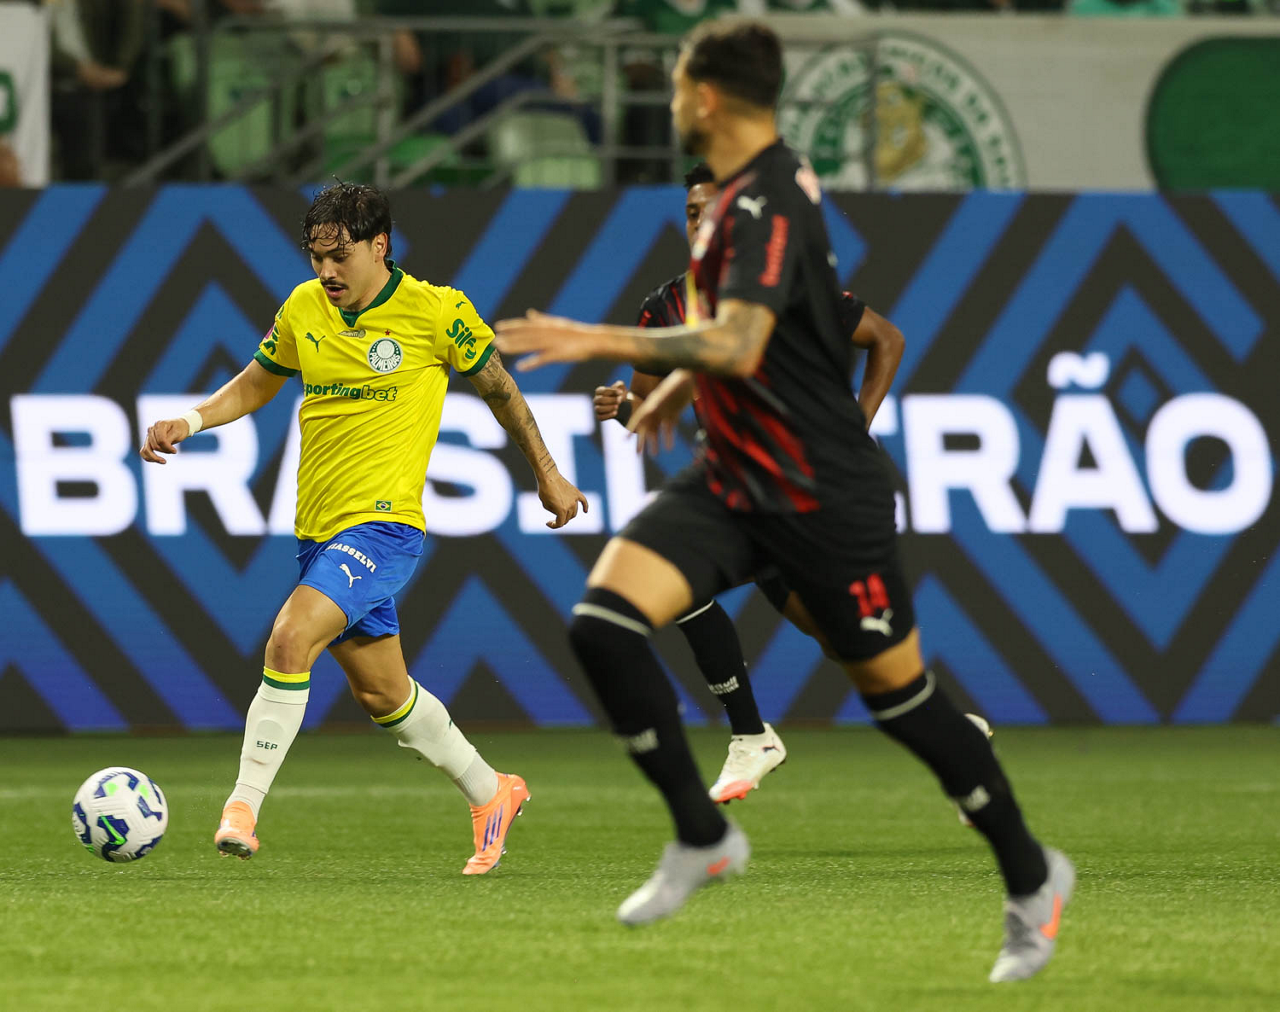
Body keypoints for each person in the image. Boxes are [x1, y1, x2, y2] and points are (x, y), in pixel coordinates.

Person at [495, 21, 1072, 983]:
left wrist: (597, 342)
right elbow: (731, 342)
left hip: (822, 493)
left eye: (679, 84)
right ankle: (701, 835)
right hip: (735, 481)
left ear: (709, 99)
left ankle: (1031, 875)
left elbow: (734, 341)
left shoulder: (761, 202)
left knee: (903, 706)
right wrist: (666, 399)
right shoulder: (736, 200)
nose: (670, 98)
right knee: (603, 621)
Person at [140, 182, 588, 874]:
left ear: (381, 245)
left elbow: (499, 387)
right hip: (317, 533)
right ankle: (491, 790)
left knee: (291, 637)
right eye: (317, 257)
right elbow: (260, 380)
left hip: (383, 529)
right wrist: (192, 420)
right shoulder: (302, 307)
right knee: (384, 693)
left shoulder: (436, 311)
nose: (327, 272)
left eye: (340, 256)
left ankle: (242, 805)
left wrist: (548, 471)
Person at [593, 159, 905, 804]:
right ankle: (943, 725)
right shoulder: (666, 307)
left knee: (672, 579)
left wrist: (852, 426)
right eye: (690, 211)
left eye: (713, 208)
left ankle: (753, 735)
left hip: (817, 490)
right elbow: (652, 412)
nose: (700, 219)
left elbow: (887, 340)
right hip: (751, 490)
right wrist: (622, 405)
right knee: (838, 634)